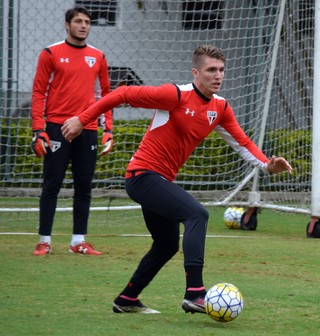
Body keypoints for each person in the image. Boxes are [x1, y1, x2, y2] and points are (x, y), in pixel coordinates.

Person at [61, 45, 292, 313]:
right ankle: (195, 293)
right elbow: (122, 93)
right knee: (198, 214)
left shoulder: (220, 107)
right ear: (196, 72)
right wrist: (81, 119)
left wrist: (267, 165)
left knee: (167, 244)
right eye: (210, 70)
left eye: (221, 70)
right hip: (142, 176)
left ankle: (126, 300)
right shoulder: (174, 95)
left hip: (158, 182)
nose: (217, 75)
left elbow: (242, 142)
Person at [31, 6, 113, 256]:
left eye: (87, 22)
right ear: (67, 24)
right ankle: (44, 240)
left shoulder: (98, 56)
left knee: (84, 186)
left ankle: (78, 241)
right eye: (78, 21)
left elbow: (105, 95)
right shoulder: (50, 53)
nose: (84, 25)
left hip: (86, 128)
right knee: (51, 185)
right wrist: (38, 129)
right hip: (57, 127)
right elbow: (39, 92)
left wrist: (107, 128)